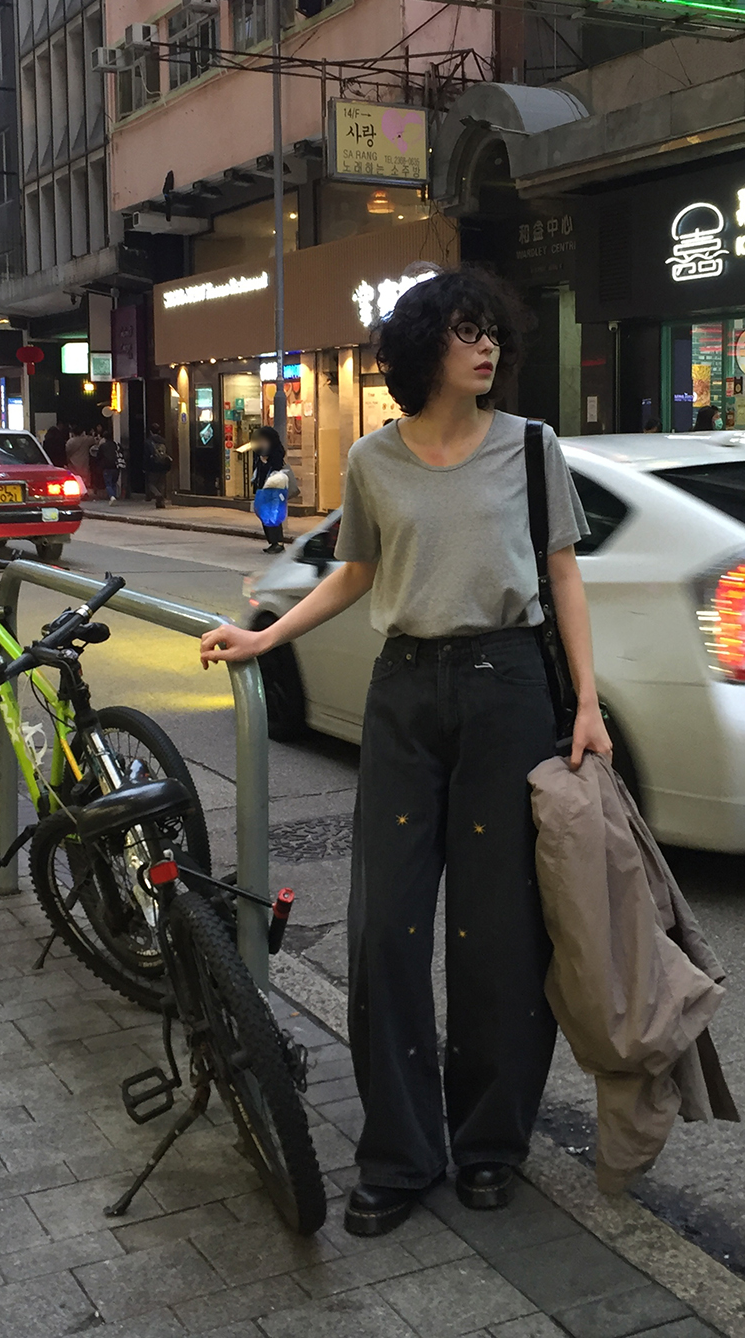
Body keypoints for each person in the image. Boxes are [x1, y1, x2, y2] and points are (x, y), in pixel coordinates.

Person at [199, 266, 612, 1238]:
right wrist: (266, 635)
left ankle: (489, 1142)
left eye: (492, 330)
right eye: (467, 330)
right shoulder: (374, 460)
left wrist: (587, 703)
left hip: (509, 688)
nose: (488, 345)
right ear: (425, 348)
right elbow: (355, 572)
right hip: (406, 692)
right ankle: (400, 1152)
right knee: (384, 927)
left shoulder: (532, 447)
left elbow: (563, 576)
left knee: (497, 934)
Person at [251, 425, 291, 553]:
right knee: (265, 516)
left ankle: (278, 542)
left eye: (264, 440)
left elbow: (276, 470)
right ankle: (272, 542)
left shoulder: (276, 455)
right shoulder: (259, 454)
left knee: (273, 516)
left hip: (275, 490)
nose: (262, 443)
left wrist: (265, 462)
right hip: (263, 489)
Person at [144, 423, 172, 507]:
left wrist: (145, 467)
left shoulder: (148, 442)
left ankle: (158, 495)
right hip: (163, 465)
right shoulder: (164, 441)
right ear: (159, 431)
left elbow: (146, 456)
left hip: (153, 465)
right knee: (161, 484)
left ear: (150, 431)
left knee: (151, 483)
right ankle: (160, 503)